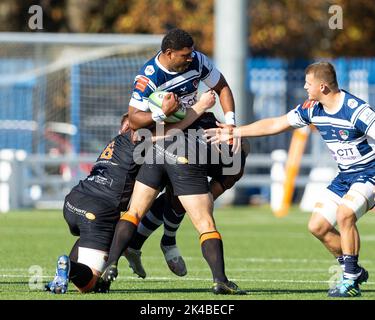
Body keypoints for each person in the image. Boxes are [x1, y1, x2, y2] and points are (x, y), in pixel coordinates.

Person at [205, 61, 374, 298]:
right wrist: (236, 131)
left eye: (309, 83)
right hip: (345, 175)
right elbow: (276, 123)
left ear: (323, 87)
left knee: (345, 214)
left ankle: (350, 280)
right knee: (318, 226)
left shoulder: (356, 110)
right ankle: (354, 269)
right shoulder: (312, 108)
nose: (305, 87)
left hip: (370, 173)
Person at [98, 28, 247, 295]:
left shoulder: (198, 61)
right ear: (168, 54)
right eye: (184, 55)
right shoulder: (148, 77)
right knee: (205, 210)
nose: (191, 58)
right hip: (168, 135)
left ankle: (112, 264)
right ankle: (218, 277)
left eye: (191, 53)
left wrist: (232, 123)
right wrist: (160, 113)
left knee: (238, 147)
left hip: (190, 127)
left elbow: (222, 86)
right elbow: (133, 120)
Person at [44, 92, 214, 294]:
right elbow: (169, 132)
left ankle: (61, 275)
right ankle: (68, 266)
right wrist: (200, 107)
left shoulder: (117, 141)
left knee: (97, 239)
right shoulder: (138, 137)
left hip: (74, 200)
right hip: (98, 210)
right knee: (88, 285)